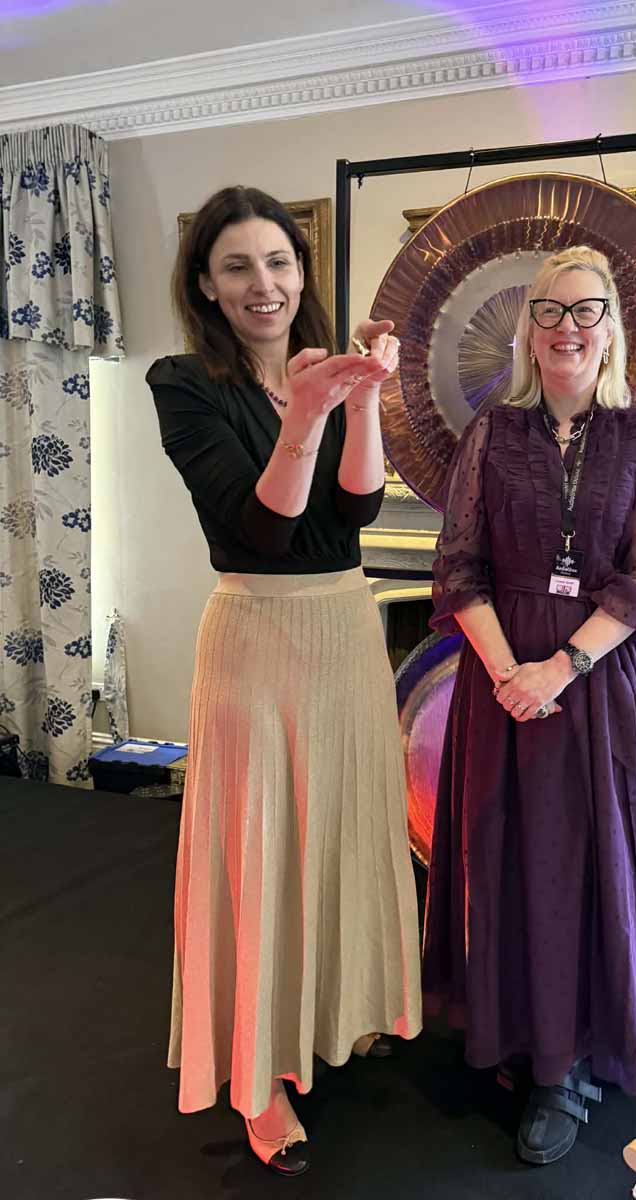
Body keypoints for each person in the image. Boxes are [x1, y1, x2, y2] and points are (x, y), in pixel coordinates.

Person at [147, 186, 422, 1176]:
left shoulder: (324, 367)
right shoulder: (183, 383)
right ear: (205, 286)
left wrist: (364, 398)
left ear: (302, 273)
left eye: (278, 262)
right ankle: (258, 1076)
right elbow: (264, 527)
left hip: (345, 626)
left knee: (344, 829)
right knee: (261, 847)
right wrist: (306, 413)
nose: (263, 283)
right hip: (257, 635)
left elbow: (355, 512)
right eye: (237, 266)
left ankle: (341, 1007)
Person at [421, 246, 636, 1165]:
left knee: (592, 868)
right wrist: (511, 672)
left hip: (604, 685)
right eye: (550, 310)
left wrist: (559, 669)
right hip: (501, 685)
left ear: (610, 329)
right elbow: (458, 566)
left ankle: (570, 1061)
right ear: (528, 329)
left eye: (586, 310)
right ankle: (518, 1033)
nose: (567, 327)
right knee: (511, 862)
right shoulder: (491, 435)